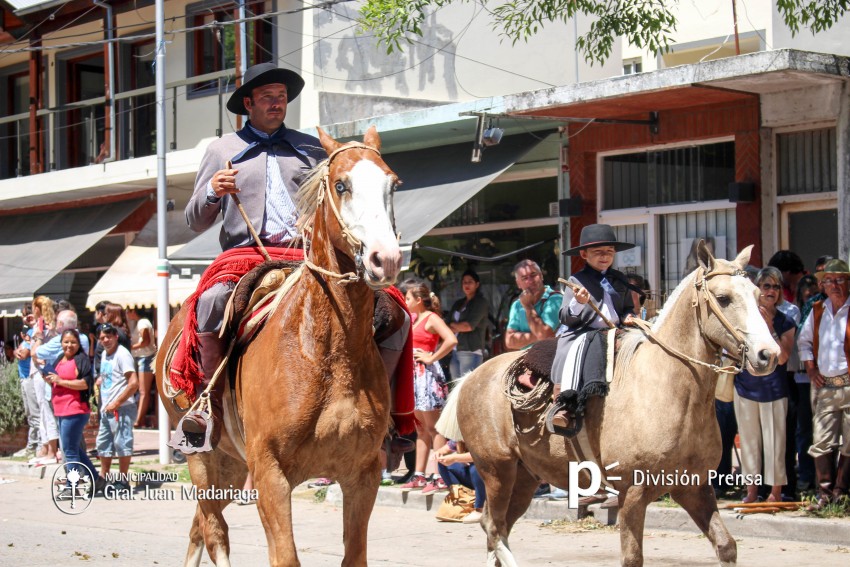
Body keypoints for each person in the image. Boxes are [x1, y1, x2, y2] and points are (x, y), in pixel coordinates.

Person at [175, 62, 326, 451]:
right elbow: (194, 220)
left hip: (304, 255)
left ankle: (389, 417)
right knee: (211, 302)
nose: (277, 104)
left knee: (384, 304)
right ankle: (209, 406)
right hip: (245, 255)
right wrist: (212, 189)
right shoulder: (221, 150)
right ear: (248, 104)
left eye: (281, 97)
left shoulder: (309, 148)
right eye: (267, 98)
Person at [550, 224, 638, 403]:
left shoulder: (619, 279)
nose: (605, 256)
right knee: (567, 351)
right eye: (598, 251)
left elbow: (628, 307)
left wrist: (628, 316)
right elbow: (565, 316)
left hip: (617, 331)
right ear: (584, 254)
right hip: (583, 331)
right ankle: (563, 398)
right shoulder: (576, 280)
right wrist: (578, 303)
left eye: (609, 251)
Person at [734, 267, 795, 503]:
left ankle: (775, 493)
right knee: (748, 444)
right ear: (757, 289)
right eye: (766, 286)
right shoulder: (745, 319)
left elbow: (783, 357)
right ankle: (751, 492)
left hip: (774, 390)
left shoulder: (785, 321)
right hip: (745, 388)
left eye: (775, 287)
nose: (770, 291)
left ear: (780, 292)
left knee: (775, 445)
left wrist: (770, 328)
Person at [797, 259, 850, 510]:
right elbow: (804, 342)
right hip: (826, 387)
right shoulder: (817, 310)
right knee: (821, 441)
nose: (835, 285)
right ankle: (825, 495)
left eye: (840, 280)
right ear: (823, 285)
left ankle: (841, 494)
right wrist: (810, 367)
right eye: (830, 281)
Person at [399, 279, 457, 493]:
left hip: (426, 376)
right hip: (413, 376)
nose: (405, 301)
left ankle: (439, 474)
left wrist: (432, 357)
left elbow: (451, 340)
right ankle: (420, 474)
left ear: (419, 300)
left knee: (434, 428)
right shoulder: (413, 319)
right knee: (421, 428)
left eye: (408, 298)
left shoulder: (431, 318)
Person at [43, 329, 104, 496]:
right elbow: (54, 382)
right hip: (60, 409)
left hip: (75, 410)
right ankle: (97, 479)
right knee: (74, 449)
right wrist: (49, 379)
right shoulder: (59, 359)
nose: (69, 345)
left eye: (73, 342)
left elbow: (85, 384)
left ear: (79, 344)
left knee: (69, 451)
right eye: (66, 342)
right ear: (61, 343)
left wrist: (61, 381)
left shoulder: (81, 360)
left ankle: (72, 487)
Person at [96, 323, 139, 489]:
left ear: (115, 336)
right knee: (104, 444)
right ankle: (103, 478)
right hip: (107, 408)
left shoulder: (123, 354)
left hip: (122, 408)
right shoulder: (104, 355)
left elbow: (133, 383)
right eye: (102, 338)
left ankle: (123, 480)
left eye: (108, 336)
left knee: (122, 444)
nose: (105, 340)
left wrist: (117, 402)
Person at [504, 259, 561, 351]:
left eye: (533, 275)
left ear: (541, 276)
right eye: (525, 278)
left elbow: (545, 335)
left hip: (550, 358)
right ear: (518, 283)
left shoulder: (555, 299)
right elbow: (510, 341)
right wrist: (538, 336)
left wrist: (528, 307)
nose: (530, 281)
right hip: (524, 360)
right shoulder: (517, 305)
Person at [446, 269, 490, 378]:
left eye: (470, 281)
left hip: (471, 350)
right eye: (464, 282)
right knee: (456, 387)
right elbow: (446, 324)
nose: (467, 284)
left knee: (467, 388)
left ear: (477, 284)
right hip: (455, 350)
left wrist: (453, 326)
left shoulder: (480, 302)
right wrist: (455, 326)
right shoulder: (458, 303)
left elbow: (468, 326)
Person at [434, 439, 487, 524]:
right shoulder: (460, 434)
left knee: (476, 467)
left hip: (492, 479)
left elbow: (480, 454)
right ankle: (461, 500)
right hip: (471, 478)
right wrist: (439, 453)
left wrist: (455, 458)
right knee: (442, 463)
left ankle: (480, 509)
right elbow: (446, 448)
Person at [127, 308, 156, 428]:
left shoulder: (142, 322)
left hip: (146, 357)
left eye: (128, 311)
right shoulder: (142, 322)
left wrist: (131, 347)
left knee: (144, 391)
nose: (127, 314)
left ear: (134, 311)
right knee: (143, 391)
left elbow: (145, 341)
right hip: (143, 357)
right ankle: (140, 418)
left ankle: (138, 420)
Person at [14, 329, 39, 459]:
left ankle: (35, 446)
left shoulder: (34, 331)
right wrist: (17, 351)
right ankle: (32, 445)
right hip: (24, 378)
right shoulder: (26, 339)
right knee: (30, 414)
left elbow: (24, 354)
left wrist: (20, 351)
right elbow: (17, 352)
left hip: (30, 378)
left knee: (35, 414)